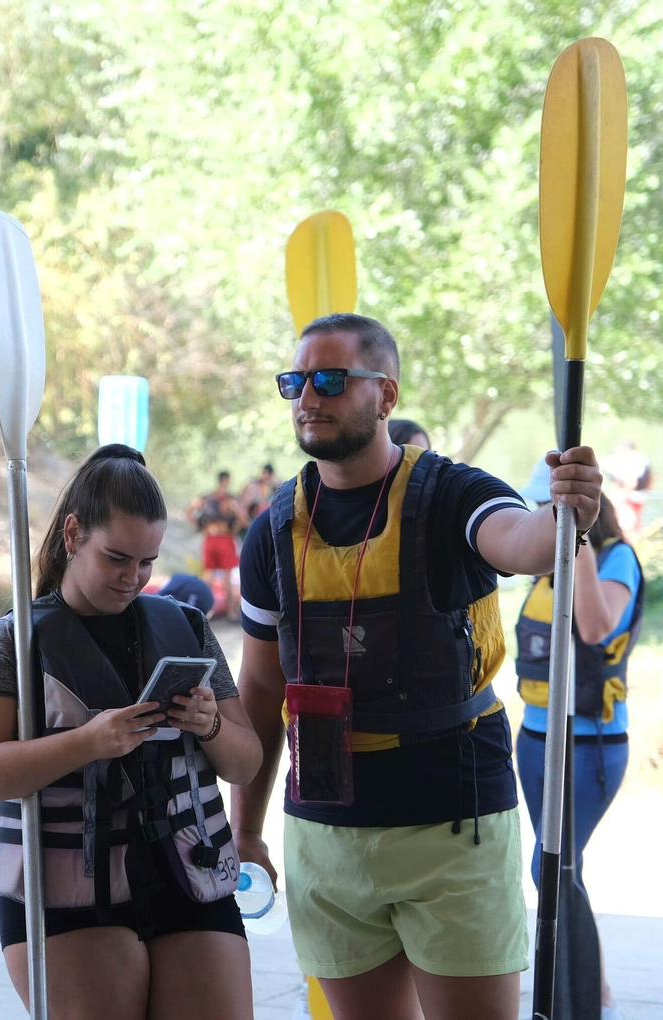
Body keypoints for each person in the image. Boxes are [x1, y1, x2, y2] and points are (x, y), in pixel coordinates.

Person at [231, 314, 603, 1020]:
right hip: (324, 832)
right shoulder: (273, 529)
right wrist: (244, 828)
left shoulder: (452, 494)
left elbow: (522, 540)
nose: (309, 395)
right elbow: (258, 692)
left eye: (332, 379)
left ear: (386, 395)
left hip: (451, 824)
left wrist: (565, 515)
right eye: (297, 381)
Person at [0, 445, 264, 1020]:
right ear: (73, 535)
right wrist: (85, 742)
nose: (133, 578)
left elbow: (245, 764)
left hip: (187, 875)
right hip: (64, 890)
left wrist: (210, 724)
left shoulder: (186, 626)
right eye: (117, 558)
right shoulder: (18, 637)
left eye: (146, 562)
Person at [511, 481, 642, 1020]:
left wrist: (578, 538)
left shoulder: (615, 560)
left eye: (547, 511)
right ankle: (588, 987)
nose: (540, 521)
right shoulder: (545, 564)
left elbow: (593, 626)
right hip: (535, 738)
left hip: (590, 742)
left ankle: (589, 995)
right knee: (559, 864)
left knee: (556, 864)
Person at [187, 471, 247, 619]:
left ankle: (203, 610)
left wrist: (200, 527)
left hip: (210, 538)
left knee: (209, 575)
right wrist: (233, 530)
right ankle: (231, 612)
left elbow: (189, 512)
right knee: (227, 576)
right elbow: (243, 518)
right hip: (225, 538)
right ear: (227, 481)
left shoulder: (206, 497)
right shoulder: (230, 499)